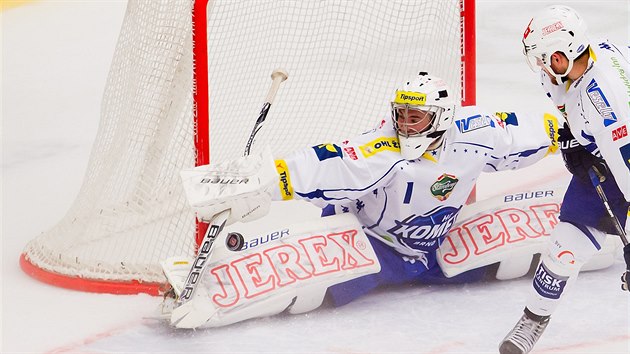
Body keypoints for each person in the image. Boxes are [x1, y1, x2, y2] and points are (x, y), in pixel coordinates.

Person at [165, 72, 560, 329]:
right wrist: (259, 183)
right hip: (368, 240)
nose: (405, 125)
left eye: (415, 118)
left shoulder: (477, 132)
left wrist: (579, 133)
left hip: (430, 248)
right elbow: (326, 163)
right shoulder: (383, 149)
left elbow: (528, 134)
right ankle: (216, 289)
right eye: (401, 115)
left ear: (440, 118)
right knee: (309, 292)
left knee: (502, 261)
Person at [499, 5, 630, 354]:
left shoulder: (609, 103)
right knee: (563, 250)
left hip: (625, 160)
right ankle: (533, 320)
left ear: (562, 53)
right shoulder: (571, 67)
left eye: (545, 59)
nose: (540, 67)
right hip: (607, 160)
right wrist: (578, 138)